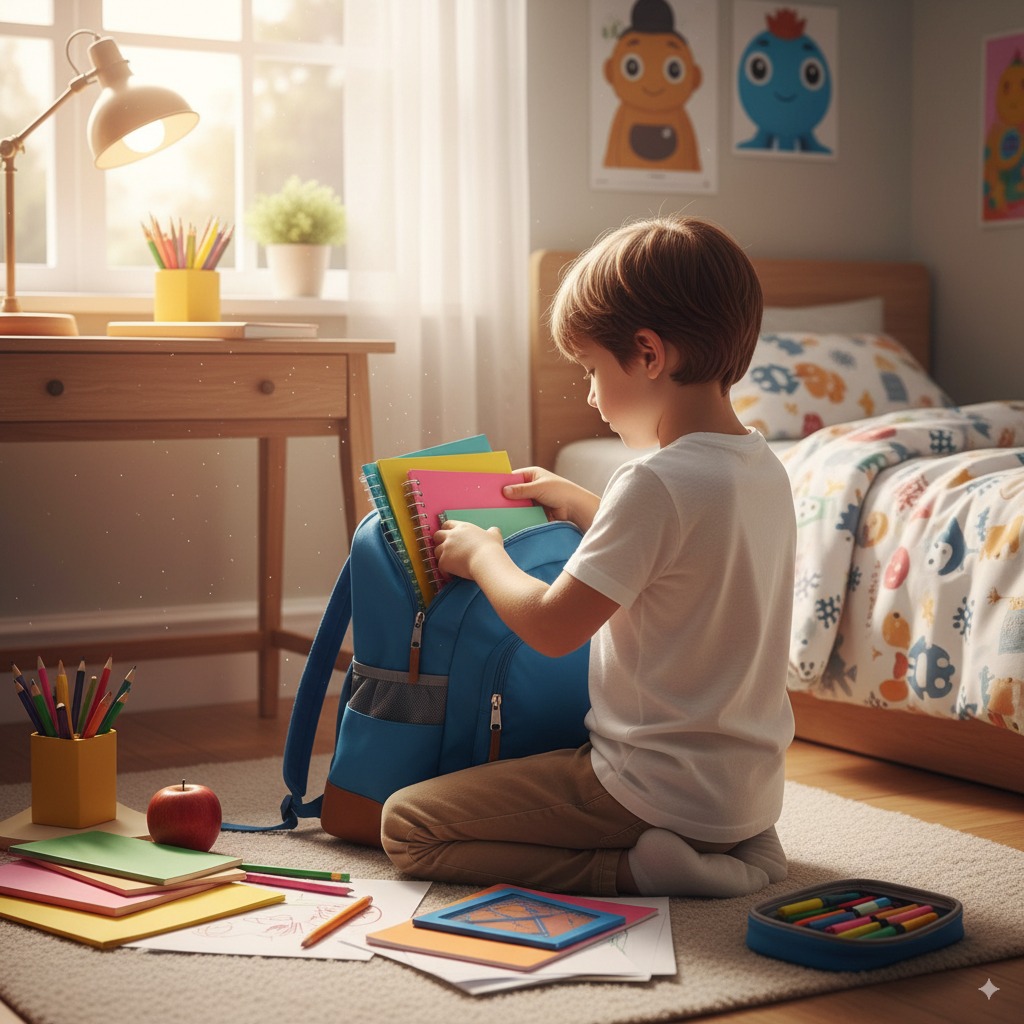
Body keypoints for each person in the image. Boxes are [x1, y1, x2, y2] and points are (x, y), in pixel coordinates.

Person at [380, 215, 796, 897]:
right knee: (714, 806)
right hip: (748, 791)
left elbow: (552, 626)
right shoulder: (761, 469)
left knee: (408, 826)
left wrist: (486, 556)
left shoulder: (653, 481)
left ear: (648, 353)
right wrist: (580, 500)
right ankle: (743, 846)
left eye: (591, 369)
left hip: (647, 789)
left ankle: (631, 868)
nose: (591, 394)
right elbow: (682, 560)